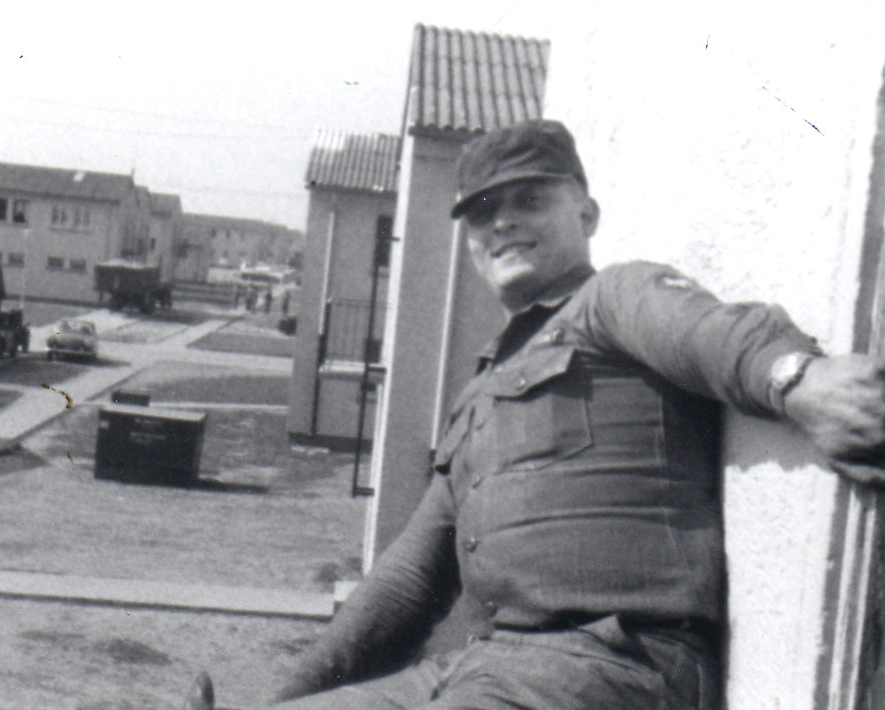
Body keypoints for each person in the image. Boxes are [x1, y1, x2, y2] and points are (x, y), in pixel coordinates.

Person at [184, 119, 885, 710]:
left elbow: (705, 333)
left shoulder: (612, 300)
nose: (503, 222)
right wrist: (284, 698)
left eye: (529, 199)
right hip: (487, 668)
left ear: (585, 214)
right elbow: (409, 579)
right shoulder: (480, 394)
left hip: (617, 661)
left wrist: (799, 382)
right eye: (483, 212)